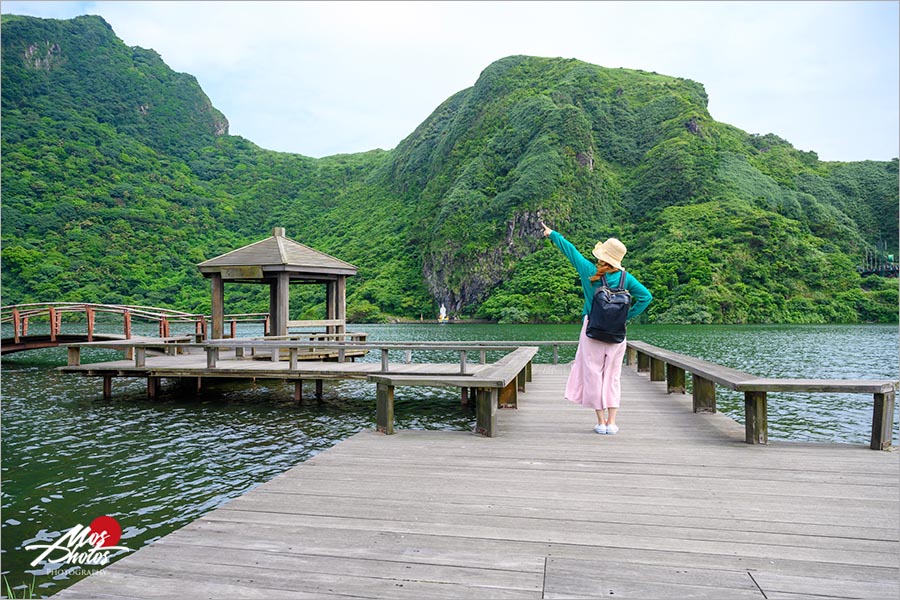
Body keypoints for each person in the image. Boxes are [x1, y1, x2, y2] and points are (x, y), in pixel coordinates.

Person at [541, 222, 652, 435]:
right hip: (617, 335)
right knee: (612, 376)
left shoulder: (590, 272)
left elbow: (570, 251)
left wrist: (552, 234)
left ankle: (600, 422)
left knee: (593, 374)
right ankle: (612, 423)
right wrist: (626, 317)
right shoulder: (625, 278)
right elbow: (646, 297)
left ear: (602, 256)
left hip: (592, 330)